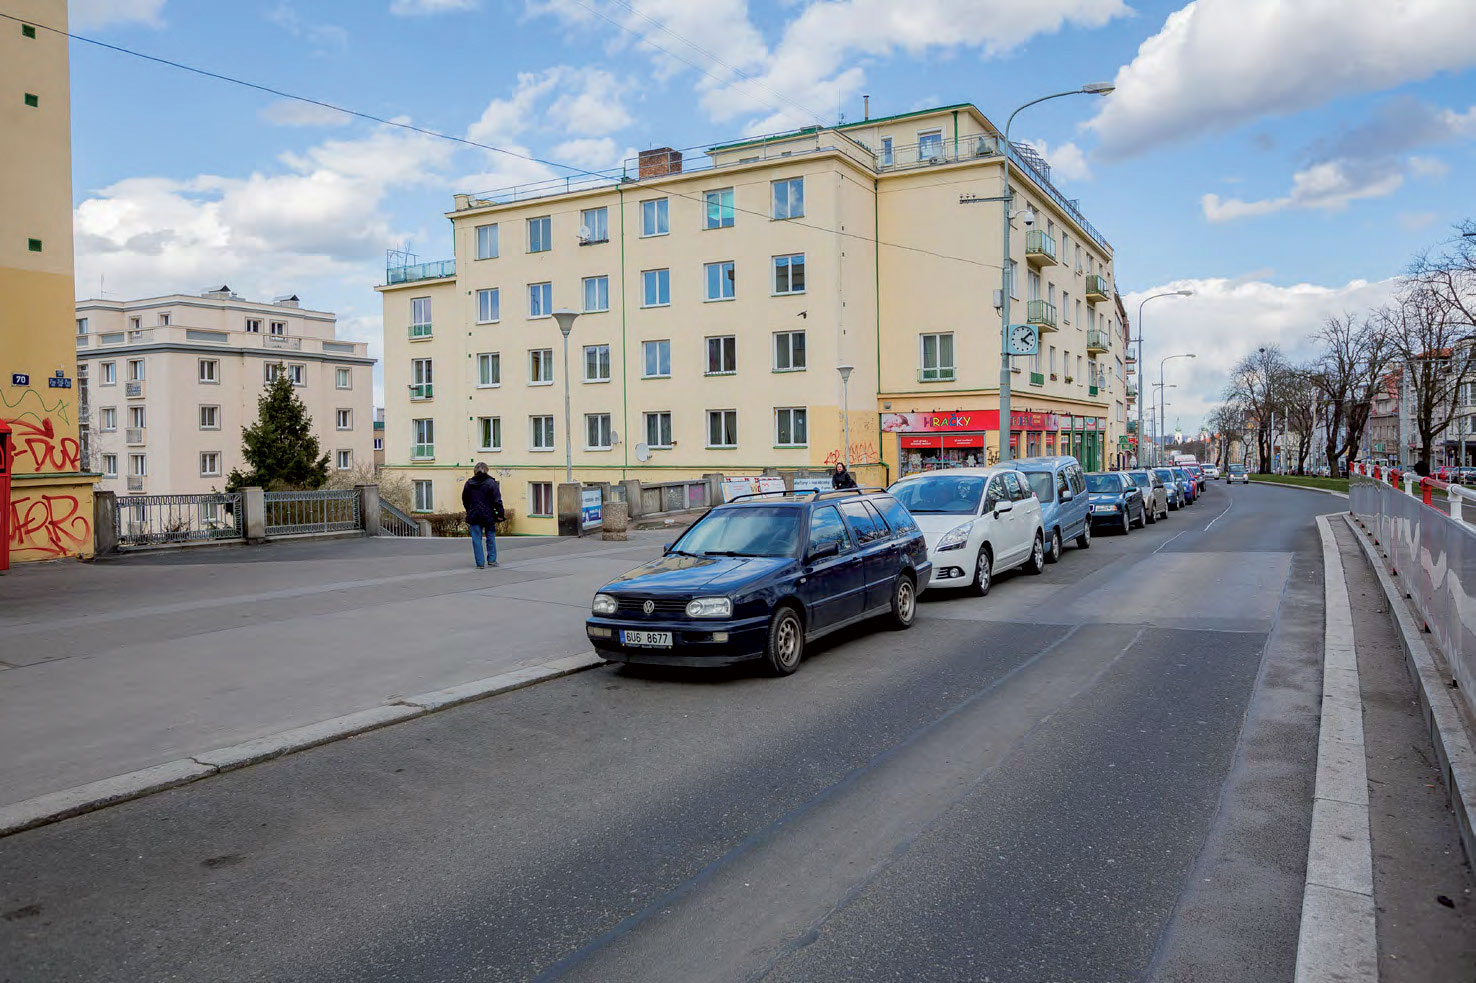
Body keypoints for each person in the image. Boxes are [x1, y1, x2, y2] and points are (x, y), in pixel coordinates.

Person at [461, 462, 504, 568]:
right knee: (490, 537)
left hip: (474, 515)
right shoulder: (491, 483)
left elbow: (465, 500)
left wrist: (469, 510)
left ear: (475, 471)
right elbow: (497, 500)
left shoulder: (469, 484)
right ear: (487, 470)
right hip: (488, 514)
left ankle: (480, 563)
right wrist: (500, 514)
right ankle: (492, 560)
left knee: (476, 539)